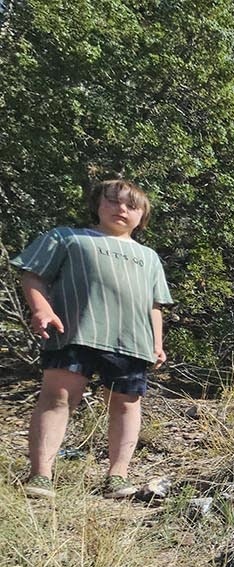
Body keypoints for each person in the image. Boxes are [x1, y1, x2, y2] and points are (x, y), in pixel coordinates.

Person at [14, 179, 173, 500]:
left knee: (126, 405)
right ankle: (41, 474)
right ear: (97, 205)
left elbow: (155, 305)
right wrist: (41, 309)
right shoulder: (67, 238)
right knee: (57, 398)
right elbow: (32, 273)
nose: (121, 209)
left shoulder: (149, 257)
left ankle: (117, 475)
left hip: (131, 341)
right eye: (113, 201)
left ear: (142, 217)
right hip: (75, 333)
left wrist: (157, 343)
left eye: (132, 206)